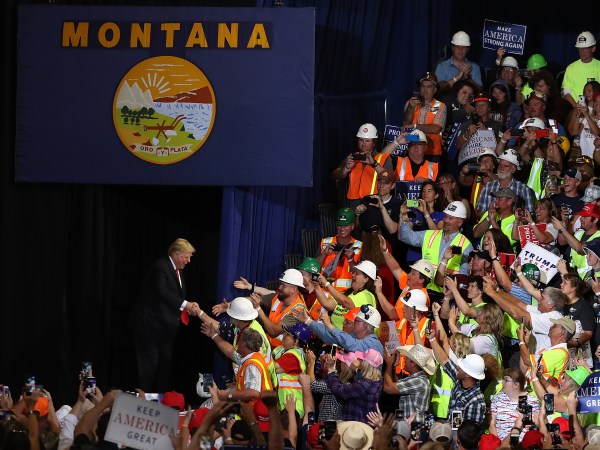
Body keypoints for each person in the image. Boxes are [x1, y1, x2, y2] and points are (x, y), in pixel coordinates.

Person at [131, 238, 201, 392]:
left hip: (166, 331)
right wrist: (185, 304)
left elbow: (174, 297)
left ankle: (162, 404)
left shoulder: (178, 270)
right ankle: (141, 403)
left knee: (164, 368)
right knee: (149, 367)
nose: (189, 261)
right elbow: (162, 293)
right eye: (186, 257)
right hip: (150, 329)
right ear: (176, 254)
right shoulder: (161, 267)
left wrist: (185, 307)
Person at [399, 201, 473, 291]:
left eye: (450, 218)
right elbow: (406, 237)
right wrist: (405, 221)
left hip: (447, 293)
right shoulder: (430, 234)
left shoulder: (466, 245)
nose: (446, 220)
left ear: (460, 222)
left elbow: (463, 275)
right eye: (445, 216)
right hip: (426, 289)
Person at [482, 275, 566, 355]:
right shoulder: (544, 311)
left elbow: (517, 315)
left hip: (540, 362)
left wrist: (493, 294)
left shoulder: (552, 318)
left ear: (551, 305)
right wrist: (497, 290)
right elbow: (519, 304)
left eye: (542, 298)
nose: (539, 299)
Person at [427, 326, 487, 424]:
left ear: (468, 375)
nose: (458, 367)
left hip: (460, 438)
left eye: (462, 367)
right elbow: (444, 360)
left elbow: (469, 433)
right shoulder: (459, 382)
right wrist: (432, 339)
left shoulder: (476, 401)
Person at [200, 325, 274, 402]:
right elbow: (229, 351)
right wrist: (213, 335)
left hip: (257, 411)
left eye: (239, 340)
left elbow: (253, 392)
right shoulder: (252, 357)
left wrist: (228, 395)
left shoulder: (252, 364)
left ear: (244, 344)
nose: (237, 343)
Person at [332, 123, 395, 208]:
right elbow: (335, 175)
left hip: (375, 202)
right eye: (361, 140)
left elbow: (390, 179)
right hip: (354, 203)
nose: (363, 144)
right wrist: (346, 169)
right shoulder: (353, 157)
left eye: (367, 141)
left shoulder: (383, 158)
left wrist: (374, 164)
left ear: (374, 143)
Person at [294, 303, 384, 356]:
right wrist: (308, 321)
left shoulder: (373, 343)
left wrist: (329, 325)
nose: (354, 323)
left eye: (356, 321)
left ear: (364, 325)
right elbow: (327, 335)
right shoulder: (355, 337)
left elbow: (352, 345)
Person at [310, 260, 377, 330]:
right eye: (353, 272)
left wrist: (327, 284)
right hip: (338, 337)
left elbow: (346, 302)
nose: (353, 275)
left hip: (354, 339)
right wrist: (316, 286)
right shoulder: (349, 294)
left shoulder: (367, 295)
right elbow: (327, 304)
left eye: (356, 273)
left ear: (366, 279)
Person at [249, 269, 307, 347]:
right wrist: (230, 305)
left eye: (283, 285)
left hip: (282, 352)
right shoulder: (278, 298)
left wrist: (258, 308)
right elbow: (255, 299)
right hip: (269, 347)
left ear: (293, 290)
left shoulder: (298, 311)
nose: (279, 287)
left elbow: (273, 332)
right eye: (280, 284)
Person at [323, 349, 383, 423]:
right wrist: (357, 369)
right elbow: (365, 377)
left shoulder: (362, 385)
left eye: (361, 360)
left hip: (357, 426)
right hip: (365, 423)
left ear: (365, 364)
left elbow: (338, 390)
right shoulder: (378, 380)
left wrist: (331, 370)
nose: (359, 362)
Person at [476, 148, 536, 220]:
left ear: (513, 169)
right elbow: (479, 213)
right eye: (500, 165)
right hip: (490, 228)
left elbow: (530, 215)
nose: (501, 168)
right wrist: (490, 213)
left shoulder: (523, 189)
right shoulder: (487, 187)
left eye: (505, 166)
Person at [317, 207, 363, 297]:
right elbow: (314, 268)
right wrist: (324, 254)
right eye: (339, 225)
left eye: (345, 225)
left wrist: (350, 259)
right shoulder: (325, 242)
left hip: (346, 295)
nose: (342, 228)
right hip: (325, 293)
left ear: (352, 226)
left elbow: (360, 276)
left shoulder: (359, 246)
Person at [354, 169, 401, 254]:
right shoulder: (367, 200)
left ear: (392, 185)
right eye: (380, 182)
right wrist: (357, 214)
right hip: (367, 247)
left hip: (388, 250)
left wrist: (382, 208)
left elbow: (393, 230)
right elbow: (357, 226)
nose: (381, 186)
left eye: (386, 183)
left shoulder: (397, 204)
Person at [402, 72, 447, 158]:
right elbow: (406, 123)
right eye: (423, 86)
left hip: (432, 152)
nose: (425, 90)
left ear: (435, 90)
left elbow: (436, 128)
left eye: (429, 87)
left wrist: (415, 126)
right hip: (413, 150)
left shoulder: (441, 106)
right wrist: (411, 108)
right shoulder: (410, 102)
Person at [383, 344, 434, 417]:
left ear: (413, 364)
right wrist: (393, 367)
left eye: (406, 358)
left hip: (414, 425)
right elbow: (397, 385)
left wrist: (389, 364)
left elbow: (388, 388)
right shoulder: (415, 379)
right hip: (410, 424)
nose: (403, 361)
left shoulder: (419, 382)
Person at [489, 368, 540, 441]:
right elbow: (492, 424)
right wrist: (499, 445)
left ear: (516, 385)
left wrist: (529, 419)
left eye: (506, 380)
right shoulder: (498, 398)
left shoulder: (531, 400)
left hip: (522, 444)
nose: (502, 382)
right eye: (503, 379)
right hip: (501, 444)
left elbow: (537, 425)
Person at [272, 322, 311, 416]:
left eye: (288, 334)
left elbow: (272, 368)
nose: (283, 335)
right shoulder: (281, 350)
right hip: (283, 406)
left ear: (296, 341)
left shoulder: (294, 355)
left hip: (294, 410)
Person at [554, 202, 600, 278]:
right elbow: (562, 242)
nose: (581, 218)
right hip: (573, 277)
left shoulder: (599, 236)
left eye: (585, 216)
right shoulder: (579, 233)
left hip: (589, 281)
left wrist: (561, 229)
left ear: (595, 220)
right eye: (582, 216)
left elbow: (580, 248)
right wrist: (564, 222)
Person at [562, 31, 600, 109]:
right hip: (576, 110)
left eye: (585, 48)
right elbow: (566, 93)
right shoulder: (571, 68)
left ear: (593, 48)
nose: (582, 51)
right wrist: (577, 108)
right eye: (580, 48)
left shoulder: (599, 66)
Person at [473, 187, 518, 252]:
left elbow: (504, 243)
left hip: (501, 258)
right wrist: (488, 218)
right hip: (483, 254)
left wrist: (493, 221)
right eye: (496, 199)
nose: (496, 202)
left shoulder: (516, 221)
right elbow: (476, 234)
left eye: (500, 199)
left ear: (509, 201)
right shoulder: (489, 213)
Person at [457, 148, 498, 212]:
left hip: (492, 217)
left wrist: (487, 171)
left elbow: (499, 182)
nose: (484, 163)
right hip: (475, 217)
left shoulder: (499, 177)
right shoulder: (476, 177)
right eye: (482, 161)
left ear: (493, 165)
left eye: (487, 160)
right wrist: (462, 173)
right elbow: (462, 181)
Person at [568, 89, 600, 158]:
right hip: (583, 158)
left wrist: (587, 114)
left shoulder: (587, 116)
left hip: (596, 159)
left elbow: (598, 134)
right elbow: (574, 132)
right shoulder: (587, 118)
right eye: (596, 101)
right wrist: (578, 114)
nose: (597, 103)